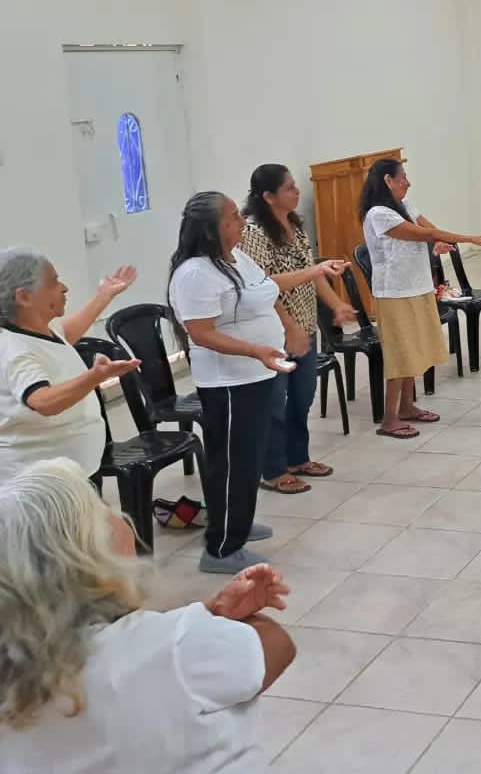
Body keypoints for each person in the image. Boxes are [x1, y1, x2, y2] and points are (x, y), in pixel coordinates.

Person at [0, 457, 296, 771]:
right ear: (91, 554)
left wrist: (210, 612)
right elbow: (275, 646)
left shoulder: (12, 681)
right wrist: (218, 619)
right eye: (104, 508)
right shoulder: (172, 646)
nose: (119, 515)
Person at [170, 191, 343, 573]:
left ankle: (238, 524)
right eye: (233, 218)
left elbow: (267, 288)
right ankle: (221, 549)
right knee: (233, 462)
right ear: (210, 230)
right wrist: (254, 351)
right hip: (228, 382)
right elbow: (201, 333)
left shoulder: (237, 258)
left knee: (249, 459)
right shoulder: (195, 273)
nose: (242, 223)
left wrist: (314, 275)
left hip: (258, 374)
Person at [241, 163, 359, 495]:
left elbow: (312, 272)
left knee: (302, 398)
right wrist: (289, 327)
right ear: (268, 196)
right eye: (289, 188)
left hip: (305, 325)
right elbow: (262, 286)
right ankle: (273, 470)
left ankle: (297, 458)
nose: (297, 192)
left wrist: (336, 304)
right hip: (274, 331)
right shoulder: (253, 233)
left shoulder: (295, 223)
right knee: (275, 403)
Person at [359, 159, 481, 435]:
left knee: (414, 350)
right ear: (387, 180)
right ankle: (389, 420)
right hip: (394, 293)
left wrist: (439, 243)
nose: (408, 182)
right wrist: (469, 238)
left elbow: (430, 231)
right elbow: (425, 233)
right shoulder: (378, 214)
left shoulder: (405, 206)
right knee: (400, 354)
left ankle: (407, 406)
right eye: (402, 178)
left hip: (418, 287)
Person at [0, 250, 139, 486]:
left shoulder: (41, 332)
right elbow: (43, 402)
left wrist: (105, 295)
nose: (64, 288)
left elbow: (69, 332)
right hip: (44, 483)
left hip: (73, 470)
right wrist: (95, 376)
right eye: (54, 282)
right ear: (24, 297)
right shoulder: (15, 351)